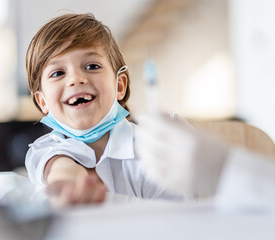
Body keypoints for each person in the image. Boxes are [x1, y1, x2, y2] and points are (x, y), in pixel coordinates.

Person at [25, 13, 181, 207]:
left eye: (91, 66)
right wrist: (72, 184)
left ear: (119, 86)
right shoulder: (45, 149)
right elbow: (60, 169)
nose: (75, 79)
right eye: (58, 73)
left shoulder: (147, 148)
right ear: (42, 102)